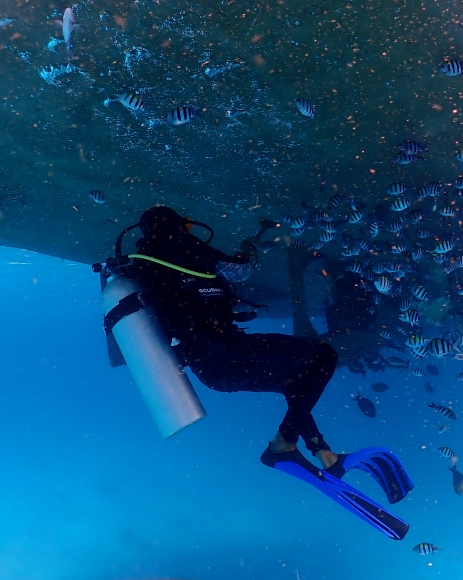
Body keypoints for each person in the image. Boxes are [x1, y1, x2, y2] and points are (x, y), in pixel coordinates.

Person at [126, 206, 414, 539]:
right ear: (177, 225)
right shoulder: (176, 243)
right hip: (225, 350)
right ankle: (284, 446)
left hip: (213, 368)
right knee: (322, 357)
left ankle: (323, 452)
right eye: (186, 224)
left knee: (293, 381)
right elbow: (236, 272)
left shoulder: (149, 263)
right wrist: (246, 256)